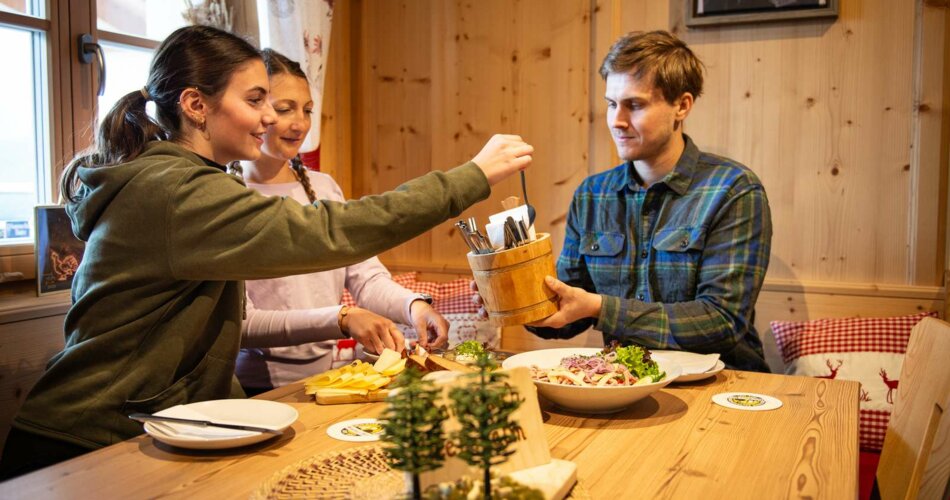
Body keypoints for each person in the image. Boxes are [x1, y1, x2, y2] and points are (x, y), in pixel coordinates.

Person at [0, 25, 532, 478]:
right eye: (255, 100)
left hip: (146, 425)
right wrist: (470, 177)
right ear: (195, 105)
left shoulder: (191, 183)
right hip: (85, 438)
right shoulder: (176, 192)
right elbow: (328, 234)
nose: (270, 119)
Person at [513, 30, 772, 372]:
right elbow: (569, 312)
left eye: (634, 105)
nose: (617, 121)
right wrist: (516, 299)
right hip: (624, 384)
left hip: (725, 386)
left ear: (682, 105)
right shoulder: (593, 194)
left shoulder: (733, 189)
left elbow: (721, 321)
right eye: (611, 104)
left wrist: (601, 308)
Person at [232, 49, 449, 394]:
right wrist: (343, 319)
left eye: (307, 110)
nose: (300, 123)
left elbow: (366, 277)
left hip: (333, 380)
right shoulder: (230, 195)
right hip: (260, 386)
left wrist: (415, 307)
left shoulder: (322, 187)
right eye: (285, 108)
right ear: (255, 108)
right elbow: (244, 323)